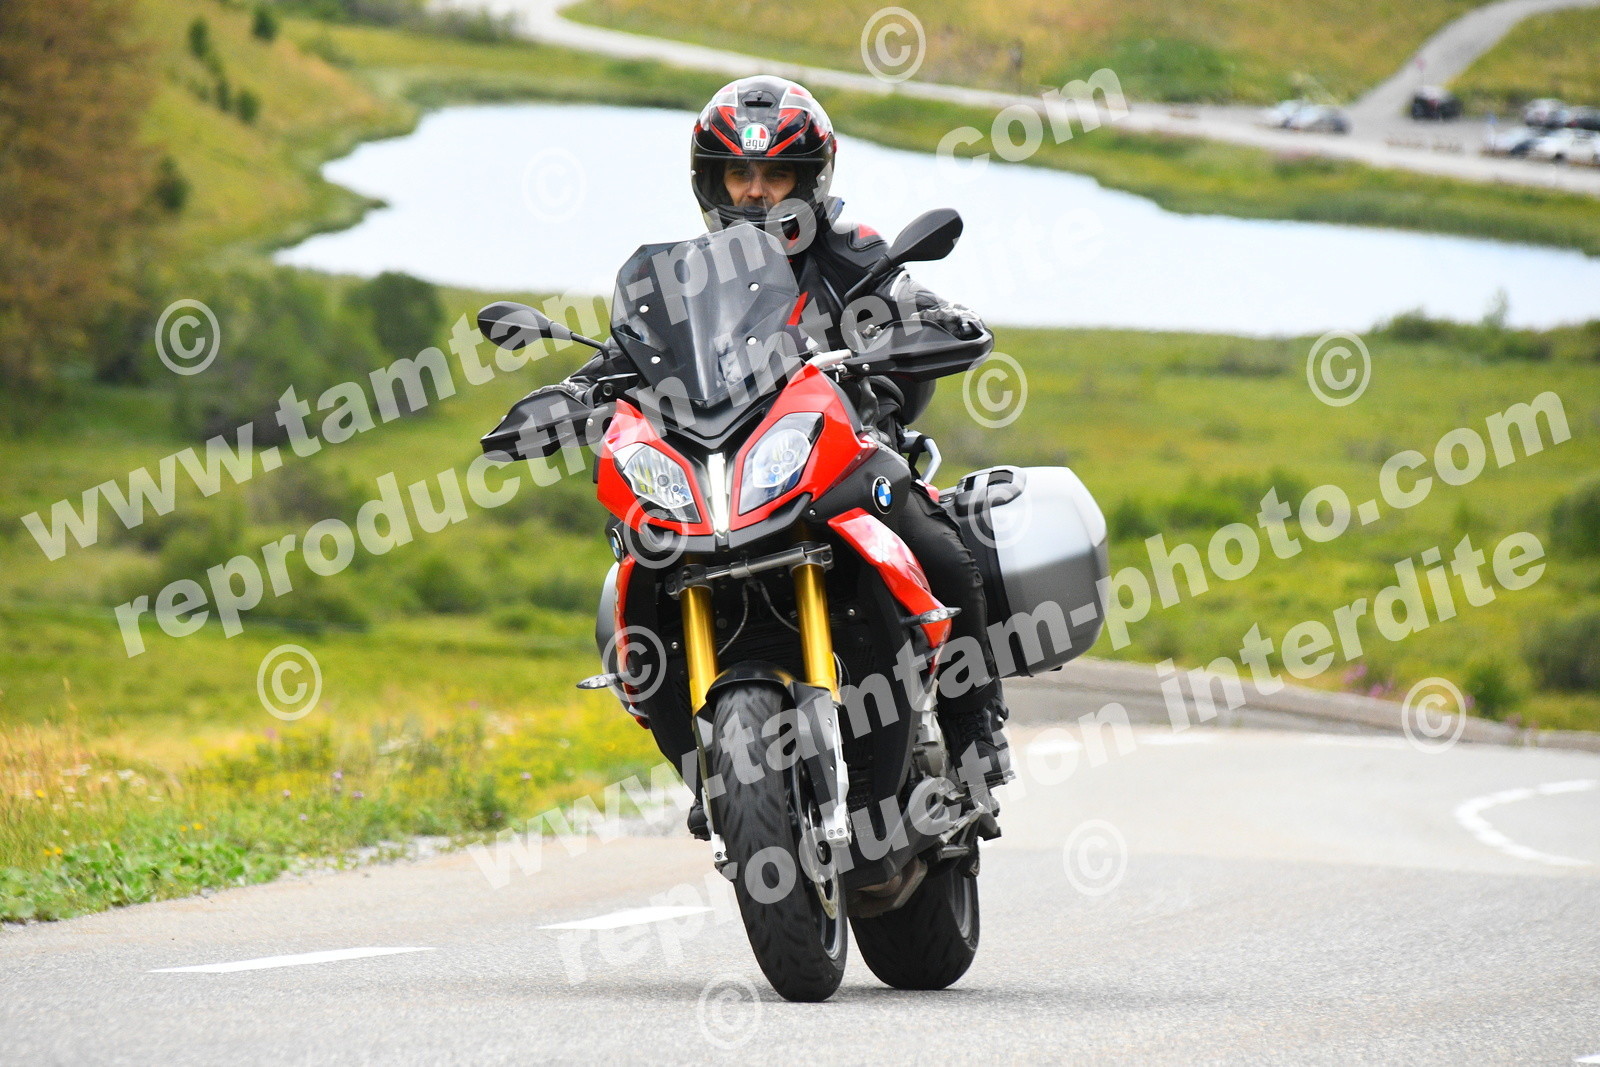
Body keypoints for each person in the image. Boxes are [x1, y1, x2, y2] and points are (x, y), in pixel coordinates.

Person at [560, 75, 1011, 790]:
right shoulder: (680, 279)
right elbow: (631, 354)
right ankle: (705, 768)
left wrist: (934, 322)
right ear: (710, 181)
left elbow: (907, 296)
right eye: (737, 173)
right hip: (726, 468)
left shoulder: (853, 252)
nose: (755, 193)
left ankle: (974, 725)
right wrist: (572, 393)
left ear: (811, 180)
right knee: (633, 576)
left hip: (846, 452)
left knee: (942, 551)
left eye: (775, 175)